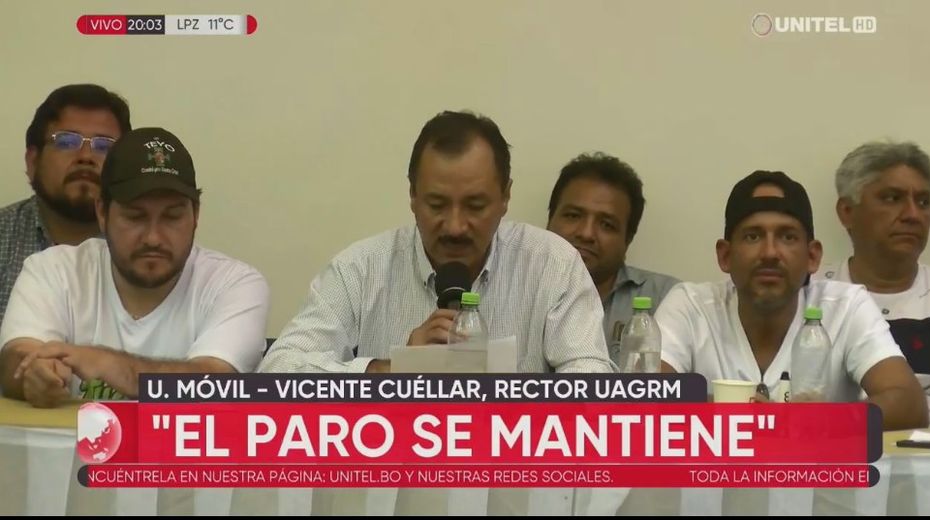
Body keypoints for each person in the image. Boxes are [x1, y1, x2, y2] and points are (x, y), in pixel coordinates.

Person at [259, 110, 614, 374]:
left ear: (505, 196)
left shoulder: (553, 264)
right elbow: (278, 369)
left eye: (475, 206)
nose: (455, 227)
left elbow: (592, 379)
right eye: (437, 205)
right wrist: (392, 372)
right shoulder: (360, 269)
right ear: (413, 196)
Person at [0, 127, 270, 407]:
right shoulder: (53, 270)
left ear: (196, 214)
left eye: (172, 217)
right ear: (102, 212)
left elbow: (215, 381)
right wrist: (36, 375)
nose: (153, 238)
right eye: (135, 217)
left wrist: (112, 366)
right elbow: (18, 357)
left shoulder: (234, 284)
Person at [656, 170, 927, 430]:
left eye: (787, 237)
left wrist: (823, 422)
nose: (770, 253)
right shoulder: (690, 306)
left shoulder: (846, 306)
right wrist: (743, 415)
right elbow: (643, 398)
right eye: (753, 236)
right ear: (725, 256)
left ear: (812, 257)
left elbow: (910, 405)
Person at [816, 141, 930, 426]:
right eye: (892, 198)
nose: (913, 215)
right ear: (847, 211)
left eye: (924, 202)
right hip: (828, 451)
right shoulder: (806, 298)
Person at [0, 84, 132, 323]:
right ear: (33, 161)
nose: (86, 157)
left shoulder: (148, 246)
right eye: (66, 142)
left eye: (104, 146)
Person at [546, 152, 678, 362]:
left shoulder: (667, 300)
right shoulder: (510, 288)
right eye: (573, 215)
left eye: (606, 225)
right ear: (550, 219)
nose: (586, 233)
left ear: (628, 239)